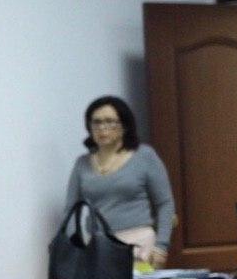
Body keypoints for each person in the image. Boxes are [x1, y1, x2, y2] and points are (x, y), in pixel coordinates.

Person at [64, 96, 175, 267]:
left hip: (139, 245)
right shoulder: (82, 163)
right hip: (97, 247)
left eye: (110, 122)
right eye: (96, 122)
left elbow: (165, 203)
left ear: (124, 125)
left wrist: (161, 246)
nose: (102, 128)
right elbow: (70, 210)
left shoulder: (144, 156)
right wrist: (76, 246)